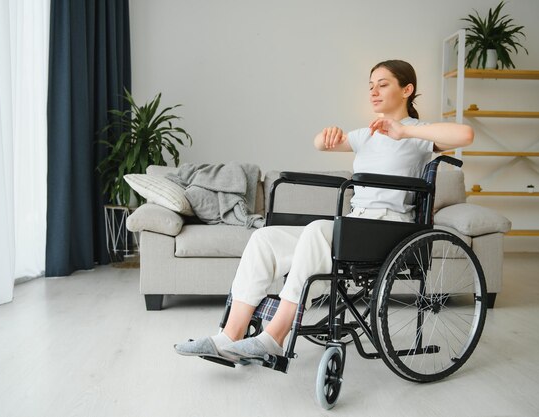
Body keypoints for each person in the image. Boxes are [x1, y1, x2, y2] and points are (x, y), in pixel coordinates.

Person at [174, 59, 474, 363]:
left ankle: (274, 337)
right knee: (265, 238)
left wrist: (405, 133)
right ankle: (230, 336)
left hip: (390, 229)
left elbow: (465, 135)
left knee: (319, 230)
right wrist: (327, 134)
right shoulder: (367, 134)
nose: (374, 91)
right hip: (357, 225)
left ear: (407, 89)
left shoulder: (419, 134)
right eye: (370, 86)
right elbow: (322, 143)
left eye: (383, 84)